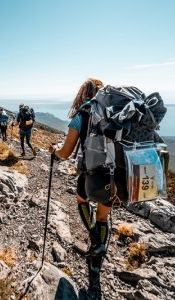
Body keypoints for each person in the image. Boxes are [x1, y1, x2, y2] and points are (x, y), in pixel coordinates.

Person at [49, 78, 108, 269]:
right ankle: (97, 260)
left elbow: (65, 153)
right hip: (116, 175)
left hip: (90, 172)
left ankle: (95, 240)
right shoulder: (113, 113)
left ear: (83, 93)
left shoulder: (82, 114)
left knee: (82, 200)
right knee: (103, 217)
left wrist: (54, 151)